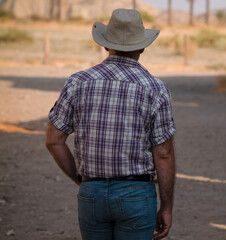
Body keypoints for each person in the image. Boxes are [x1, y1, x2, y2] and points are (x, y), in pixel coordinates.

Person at [45, 8, 176, 240]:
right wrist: (166, 206)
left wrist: (83, 180)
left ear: (106, 45)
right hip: (137, 195)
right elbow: (163, 155)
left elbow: (53, 141)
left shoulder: (78, 83)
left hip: (91, 194)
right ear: (143, 46)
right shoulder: (155, 89)